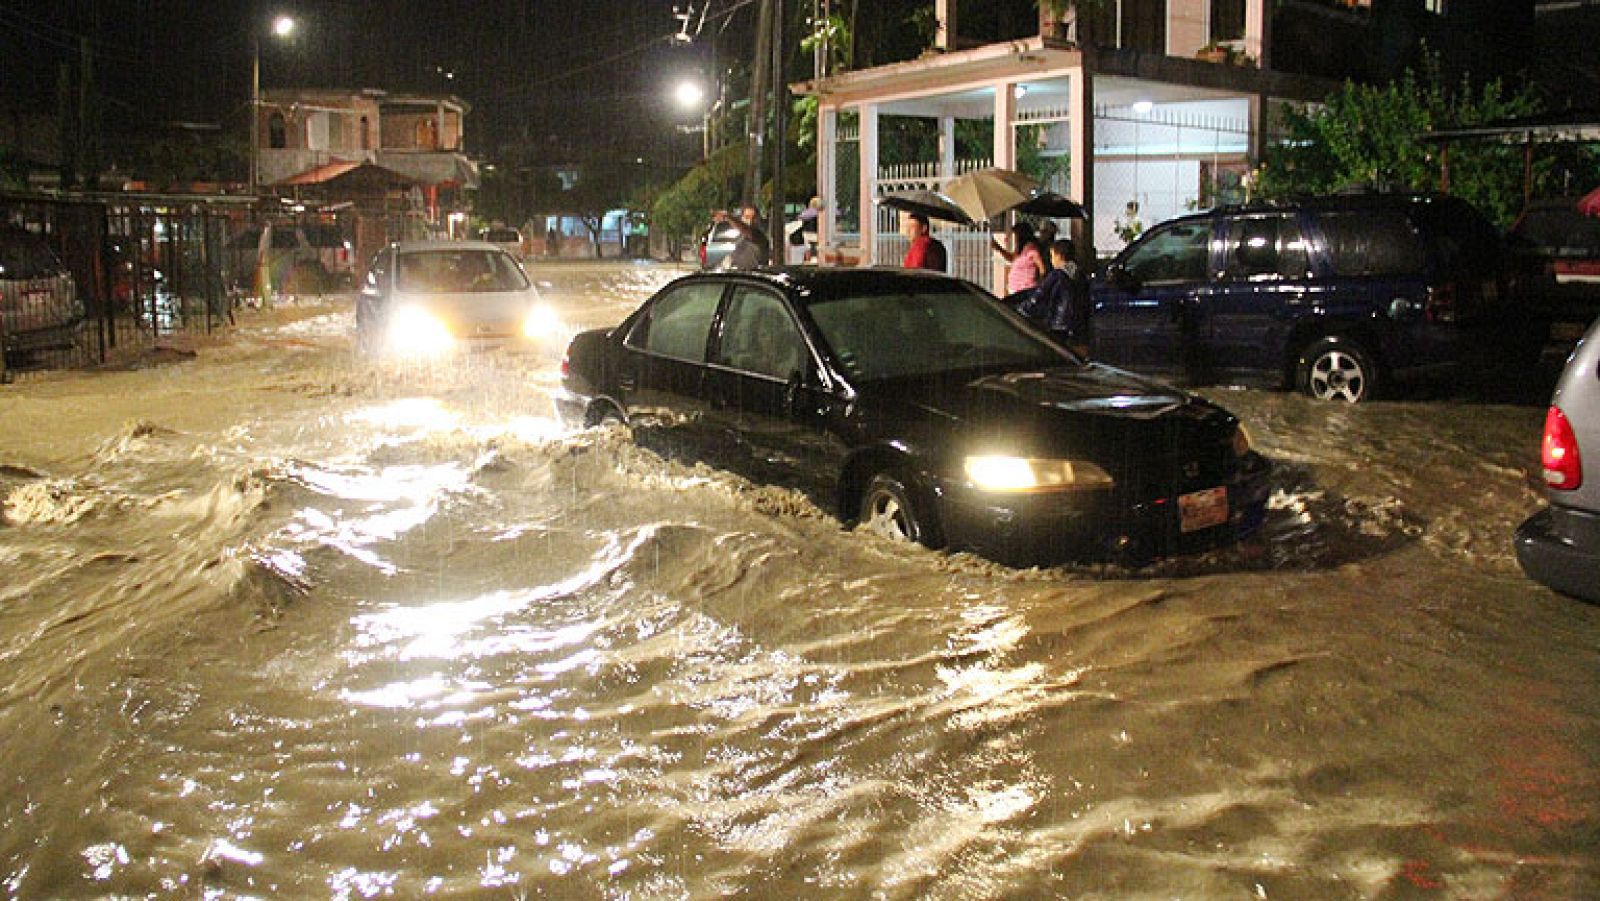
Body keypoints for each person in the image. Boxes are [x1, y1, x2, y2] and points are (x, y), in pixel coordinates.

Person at [1017, 239, 1088, 348]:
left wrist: (1020, 309)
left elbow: (1038, 296)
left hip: (1058, 325)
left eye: (1052, 256)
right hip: (1077, 325)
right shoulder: (1080, 275)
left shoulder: (1056, 275)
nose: (1051, 260)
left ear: (1059, 256)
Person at [992, 221, 1044, 302]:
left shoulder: (1031, 248)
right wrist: (998, 248)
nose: (1014, 237)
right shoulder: (1021, 248)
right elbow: (1012, 258)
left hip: (1025, 289)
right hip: (1015, 288)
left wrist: (1039, 286)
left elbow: (1042, 269)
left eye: (1015, 234)